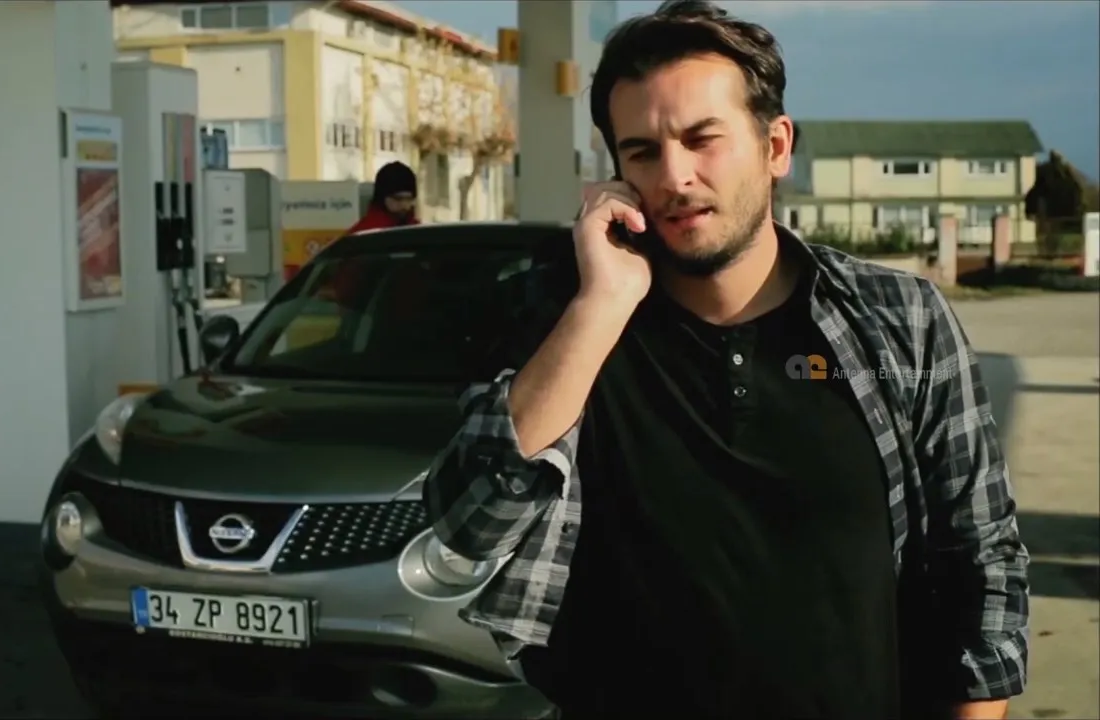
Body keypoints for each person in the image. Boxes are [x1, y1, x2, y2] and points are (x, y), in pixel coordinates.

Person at [421, 2, 1029, 718]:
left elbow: (979, 558)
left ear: (776, 146)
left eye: (702, 139)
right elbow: (468, 525)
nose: (674, 176)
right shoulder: (568, 315)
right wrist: (601, 306)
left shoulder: (901, 319)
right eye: (642, 151)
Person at [348, 161, 420, 233]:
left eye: (409, 199)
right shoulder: (363, 233)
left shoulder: (417, 230)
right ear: (382, 198)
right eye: (398, 199)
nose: (404, 205)